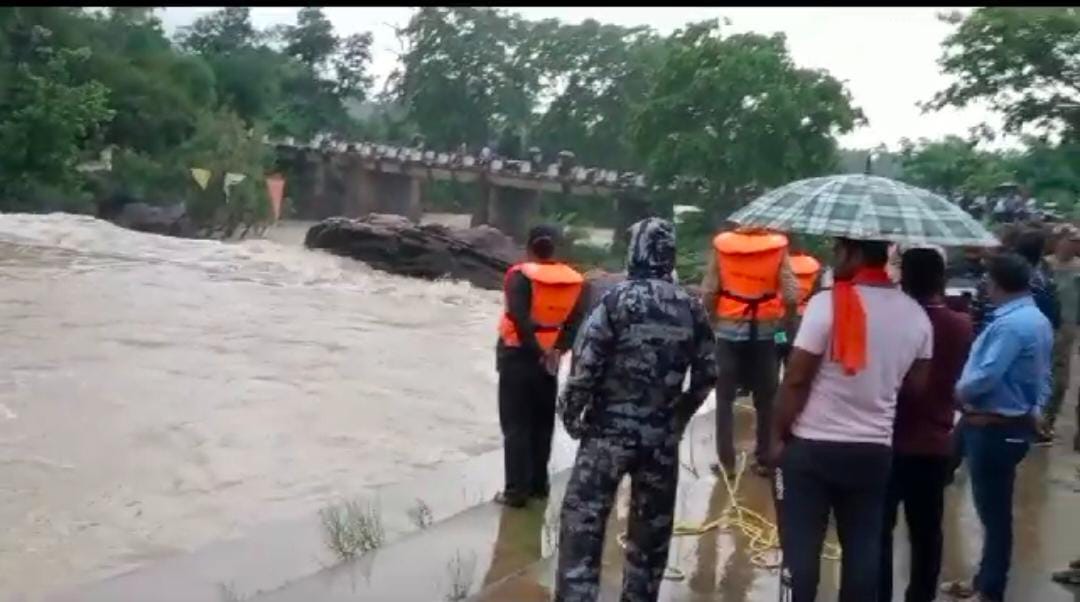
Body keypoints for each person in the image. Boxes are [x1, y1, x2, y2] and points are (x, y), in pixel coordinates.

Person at [555, 218, 717, 602]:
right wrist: (677, 418)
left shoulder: (615, 301)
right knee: (651, 538)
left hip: (606, 435)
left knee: (583, 527)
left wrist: (572, 416)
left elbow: (585, 367)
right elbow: (709, 373)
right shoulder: (691, 308)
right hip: (660, 440)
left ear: (636, 252)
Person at [770, 237, 932, 602]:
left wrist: (776, 437)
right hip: (873, 450)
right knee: (863, 549)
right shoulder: (916, 315)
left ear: (855, 254)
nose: (833, 259)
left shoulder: (826, 305)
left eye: (838, 252)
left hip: (812, 447)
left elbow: (796, 380)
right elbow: (916, 388)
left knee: (801, 551)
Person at [941, 253, 1053, 602]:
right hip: (1009, 423)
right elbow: (1043, 376)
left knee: (994, 514)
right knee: (994, 511)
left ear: (998, 283)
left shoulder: (1010, 325)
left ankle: (990, 589)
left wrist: (957, 392)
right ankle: (983, 581)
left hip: (994, 425)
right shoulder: (1034, 319)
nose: (985, 286)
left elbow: (986, 375)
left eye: (989, 280)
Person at [879, 248, 974, 602]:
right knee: (927, 534)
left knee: (879, 532)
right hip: (935, 442)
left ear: (903, 279)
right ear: (941, 279)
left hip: (888, 439)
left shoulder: (892, 324)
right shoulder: (960, 325)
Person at [494, 224, 586, 508]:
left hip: (518, 357)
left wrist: (537, 352)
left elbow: (520, 320)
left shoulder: (520, 277)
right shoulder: (575, 281)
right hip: (551, 360)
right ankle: (538, 485)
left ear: (530, 247)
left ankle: (515, 492)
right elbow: (575, 323)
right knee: (542, 425)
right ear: (555, 247)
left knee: (516, 426)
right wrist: (557, 351)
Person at [702, 226, 798, 477]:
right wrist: (785, 321)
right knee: (766, 400)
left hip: (727, 332)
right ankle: (765, 460)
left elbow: (709, 290)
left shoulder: (723, 247)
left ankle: (727, 464)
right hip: (766, 333)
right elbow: (790, 293)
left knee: (724, 399)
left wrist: (712, 319)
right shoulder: (777, 248)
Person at [1043, 227, 1080, 448]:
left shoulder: (1078, 269)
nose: (1074, 245)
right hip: (1044, 325)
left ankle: (1049, 420)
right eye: (1071, 240)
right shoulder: (1045, 265)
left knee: (1061, 380)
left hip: (1067, 327)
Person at [779, 247, 823, 371]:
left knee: (779, 345)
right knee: (794, 352)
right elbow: (817, 291)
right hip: (803, 317)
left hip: (783, 317)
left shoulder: (782, 266)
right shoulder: (813, 266)